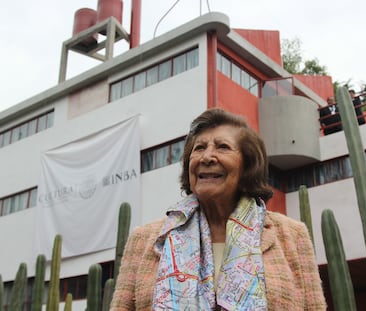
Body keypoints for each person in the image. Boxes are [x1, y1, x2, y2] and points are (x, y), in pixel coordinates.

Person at [110, 108, 326, 310]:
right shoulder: (144, 239)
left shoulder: (291, 235)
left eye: (222, 147)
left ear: (247, 165)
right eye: (200, 148)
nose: (207, 157)